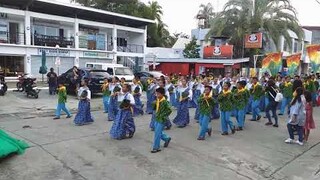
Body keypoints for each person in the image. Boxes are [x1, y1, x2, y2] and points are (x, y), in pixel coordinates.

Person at [151, 87, 172, 153]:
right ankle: (166, 138)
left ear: (162, 94)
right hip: (156, 118)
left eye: (158, 94)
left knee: (157, 133)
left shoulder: (164, 101)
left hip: (161, 119)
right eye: (156, 94)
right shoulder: (157, 100)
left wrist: (163, 116)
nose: (157, 95)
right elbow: (154, 108)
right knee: (157, 131)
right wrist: (153, 103)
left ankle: (156, 148)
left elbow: (169, 110)